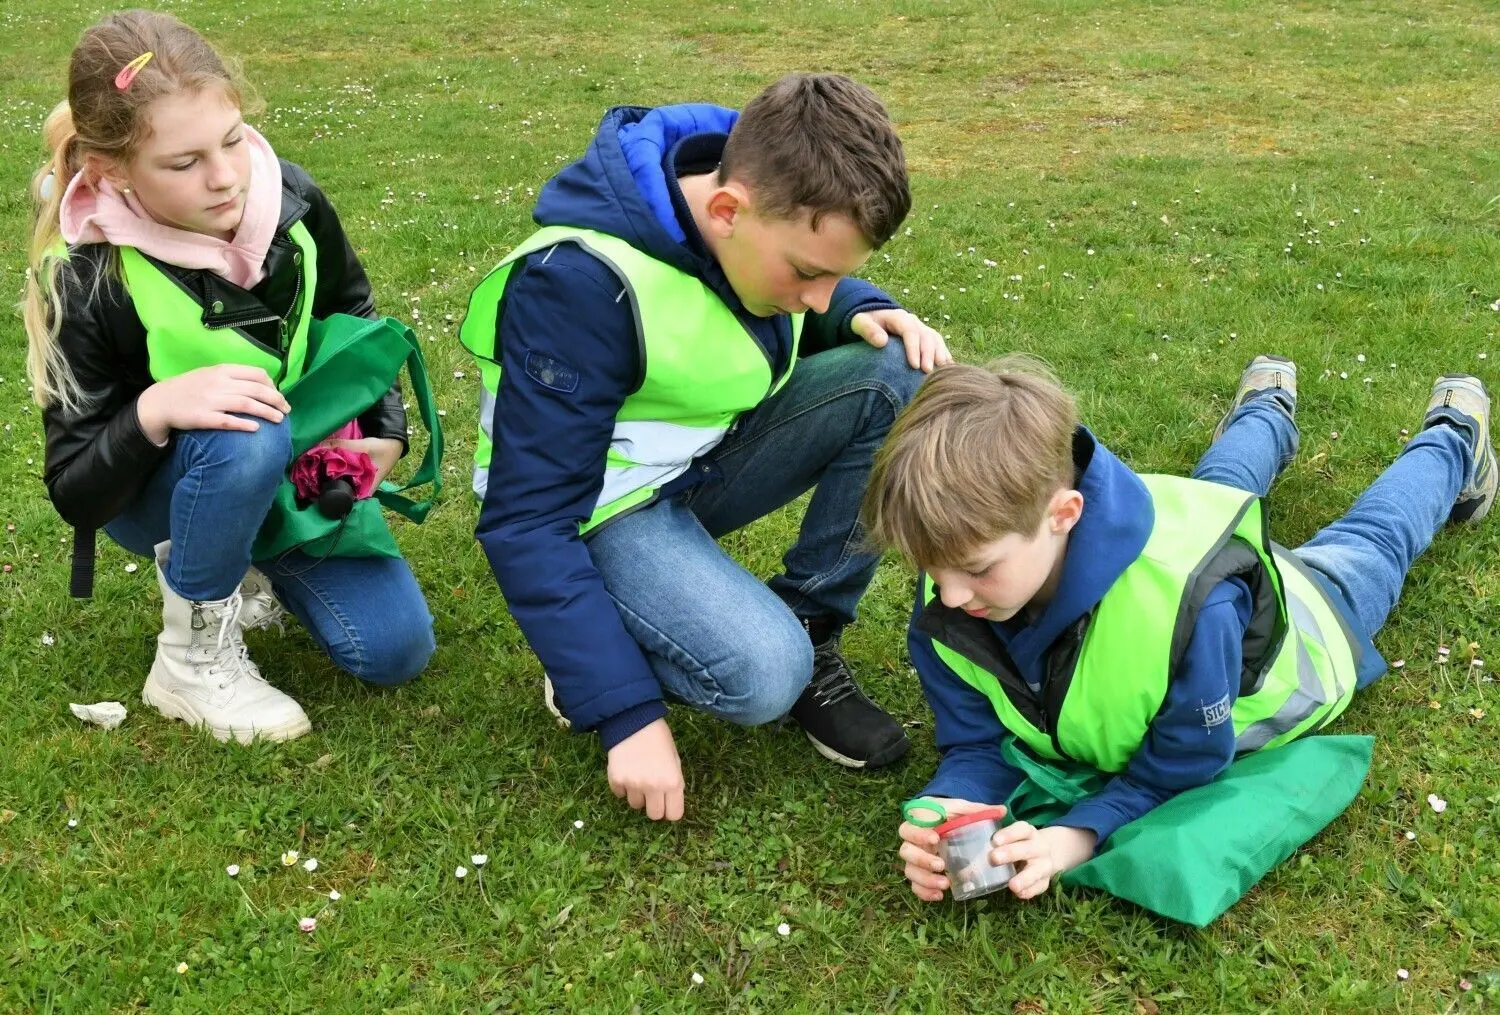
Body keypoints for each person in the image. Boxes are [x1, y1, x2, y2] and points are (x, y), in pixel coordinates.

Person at [462, 74, 950, 821]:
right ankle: (606, 647)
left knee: (895, 368)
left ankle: (813, 629)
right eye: (813, 274)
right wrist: (625, 712)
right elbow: (526, 521)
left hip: (700, 462)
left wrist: (864, 306)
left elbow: (750, 313)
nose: (818, 297)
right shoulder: (578, 287)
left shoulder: (748, 207)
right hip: (600, 508)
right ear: (726, 211)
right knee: (762, 674)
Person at [863, 355, 1494, 900]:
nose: (946, 595)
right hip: (1191, 537)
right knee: (1216, 489)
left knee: (1373, 538)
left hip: (1311, 612)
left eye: (975, 569)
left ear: (1064, 514)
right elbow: (977, 738)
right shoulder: (960, 582)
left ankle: (1453, 436)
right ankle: (1267, 404)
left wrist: (1080, 833)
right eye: (930, 569)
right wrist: (958, 799)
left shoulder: (1190, 610)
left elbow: (1181, 765)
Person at [25, 10, 436, 744]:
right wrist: (156, 408)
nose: (225, 179)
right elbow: (77, 489)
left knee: (394, 649)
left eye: (233, 140)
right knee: (247, 425)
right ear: (110, 171)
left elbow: (354, 315)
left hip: (289, 466)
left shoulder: (295, 202)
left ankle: (251, 557)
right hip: (163, 488)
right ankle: (190, 653)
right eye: (183, 164)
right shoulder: (89, 276)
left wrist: (383, 432)